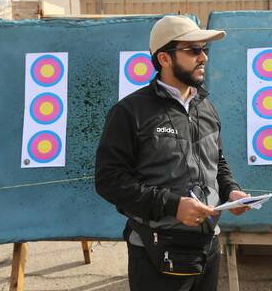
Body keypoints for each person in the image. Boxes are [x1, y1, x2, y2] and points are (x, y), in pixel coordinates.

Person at [95, 15, 250, 291]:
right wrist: (173, 205)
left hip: (208, 245)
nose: (203, 57)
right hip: (156, 250)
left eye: (205, 49)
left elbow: (218, 163)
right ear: (164, 59)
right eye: (193, 50)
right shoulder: (130, 112)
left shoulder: (206, 107)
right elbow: (109, 180)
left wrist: (231, 192)